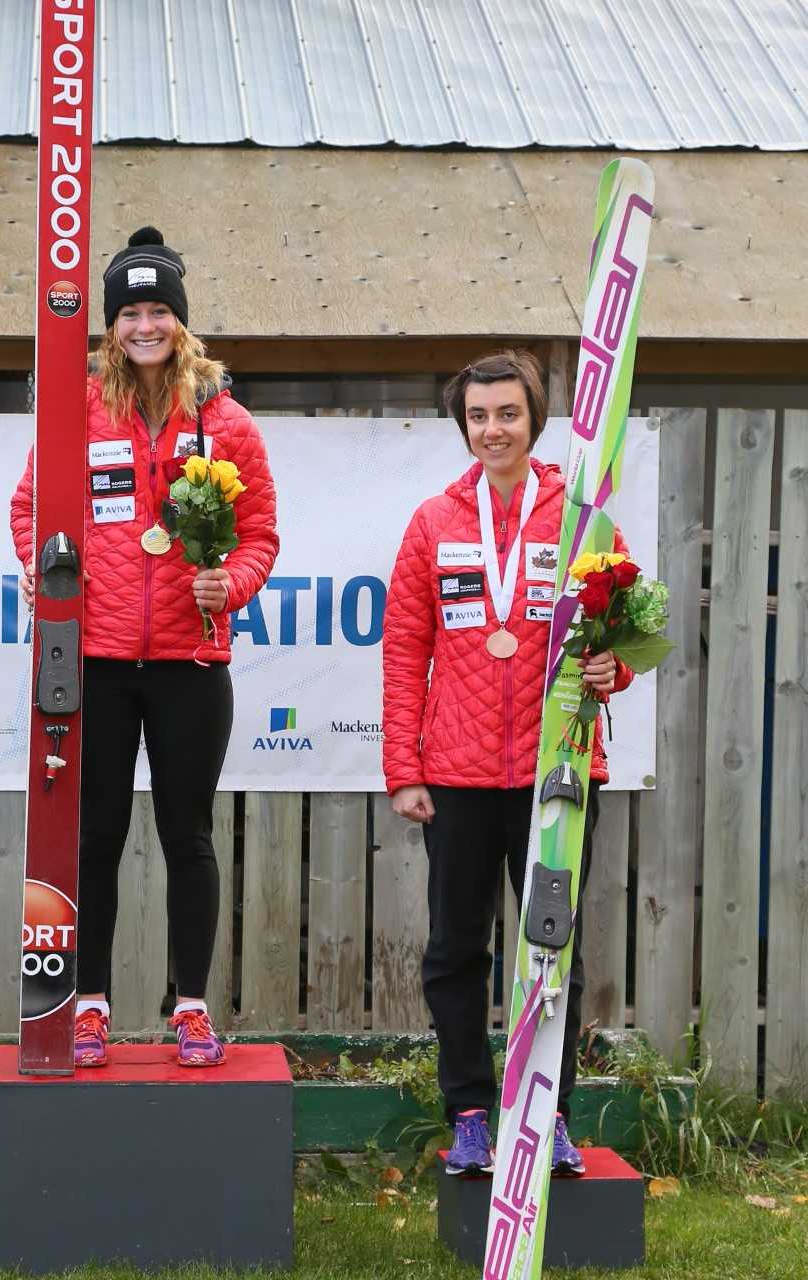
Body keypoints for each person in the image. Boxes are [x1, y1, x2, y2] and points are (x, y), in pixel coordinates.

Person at [11, 227, 279, 1068]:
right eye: (129, 312)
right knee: (93, 836)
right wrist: (39, 565)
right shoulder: (78, 410)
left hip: (189, 665)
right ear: (110, 327)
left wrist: (226, 585)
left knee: (187, 836)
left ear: (182, 322)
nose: (144, 325)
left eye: (158, 309)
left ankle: (189, 1006)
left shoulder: (226, 422)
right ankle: (87, 1004)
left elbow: (260, 534)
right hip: (92, 659)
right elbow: (30, 508)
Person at [382, 349, 632, 1177]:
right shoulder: (430, 522)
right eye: (477, 417)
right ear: (463, 426)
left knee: (551, 951)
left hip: (554, 774)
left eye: (507, 415)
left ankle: (547, 1114)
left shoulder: (581, 516)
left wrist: (612, 668)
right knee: (455, 950)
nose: (492, 430)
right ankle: (469, 1115)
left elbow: (621, 630)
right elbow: (402, 651)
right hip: (453, 776)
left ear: (535, 420)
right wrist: (403, 768)